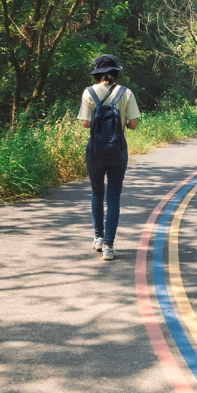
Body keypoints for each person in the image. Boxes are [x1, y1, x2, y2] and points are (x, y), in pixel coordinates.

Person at [78, 53, 140, 261]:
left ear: (97, 74)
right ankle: (109, 246)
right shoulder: (126, 93)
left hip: (95, 151)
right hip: (118, 150)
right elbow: (133, 125)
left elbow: (86, 123)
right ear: (114, 73)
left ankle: (98, 238)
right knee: (113, 198)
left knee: (97, 194)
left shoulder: (88, 92)